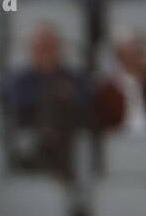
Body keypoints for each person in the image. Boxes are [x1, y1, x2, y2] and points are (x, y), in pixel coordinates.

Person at [6, 25, 89, 178]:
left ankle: (44, 153)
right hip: (33, 126)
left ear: (59, 50)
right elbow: (18, 106)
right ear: (32, 51)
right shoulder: (21, 79)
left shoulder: (74, 77)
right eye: (41, 48)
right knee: (51, 98)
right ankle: (51, 155)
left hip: (65, 129)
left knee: (55, 105)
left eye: (50, 48)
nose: (46, 53)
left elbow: (84, 106)